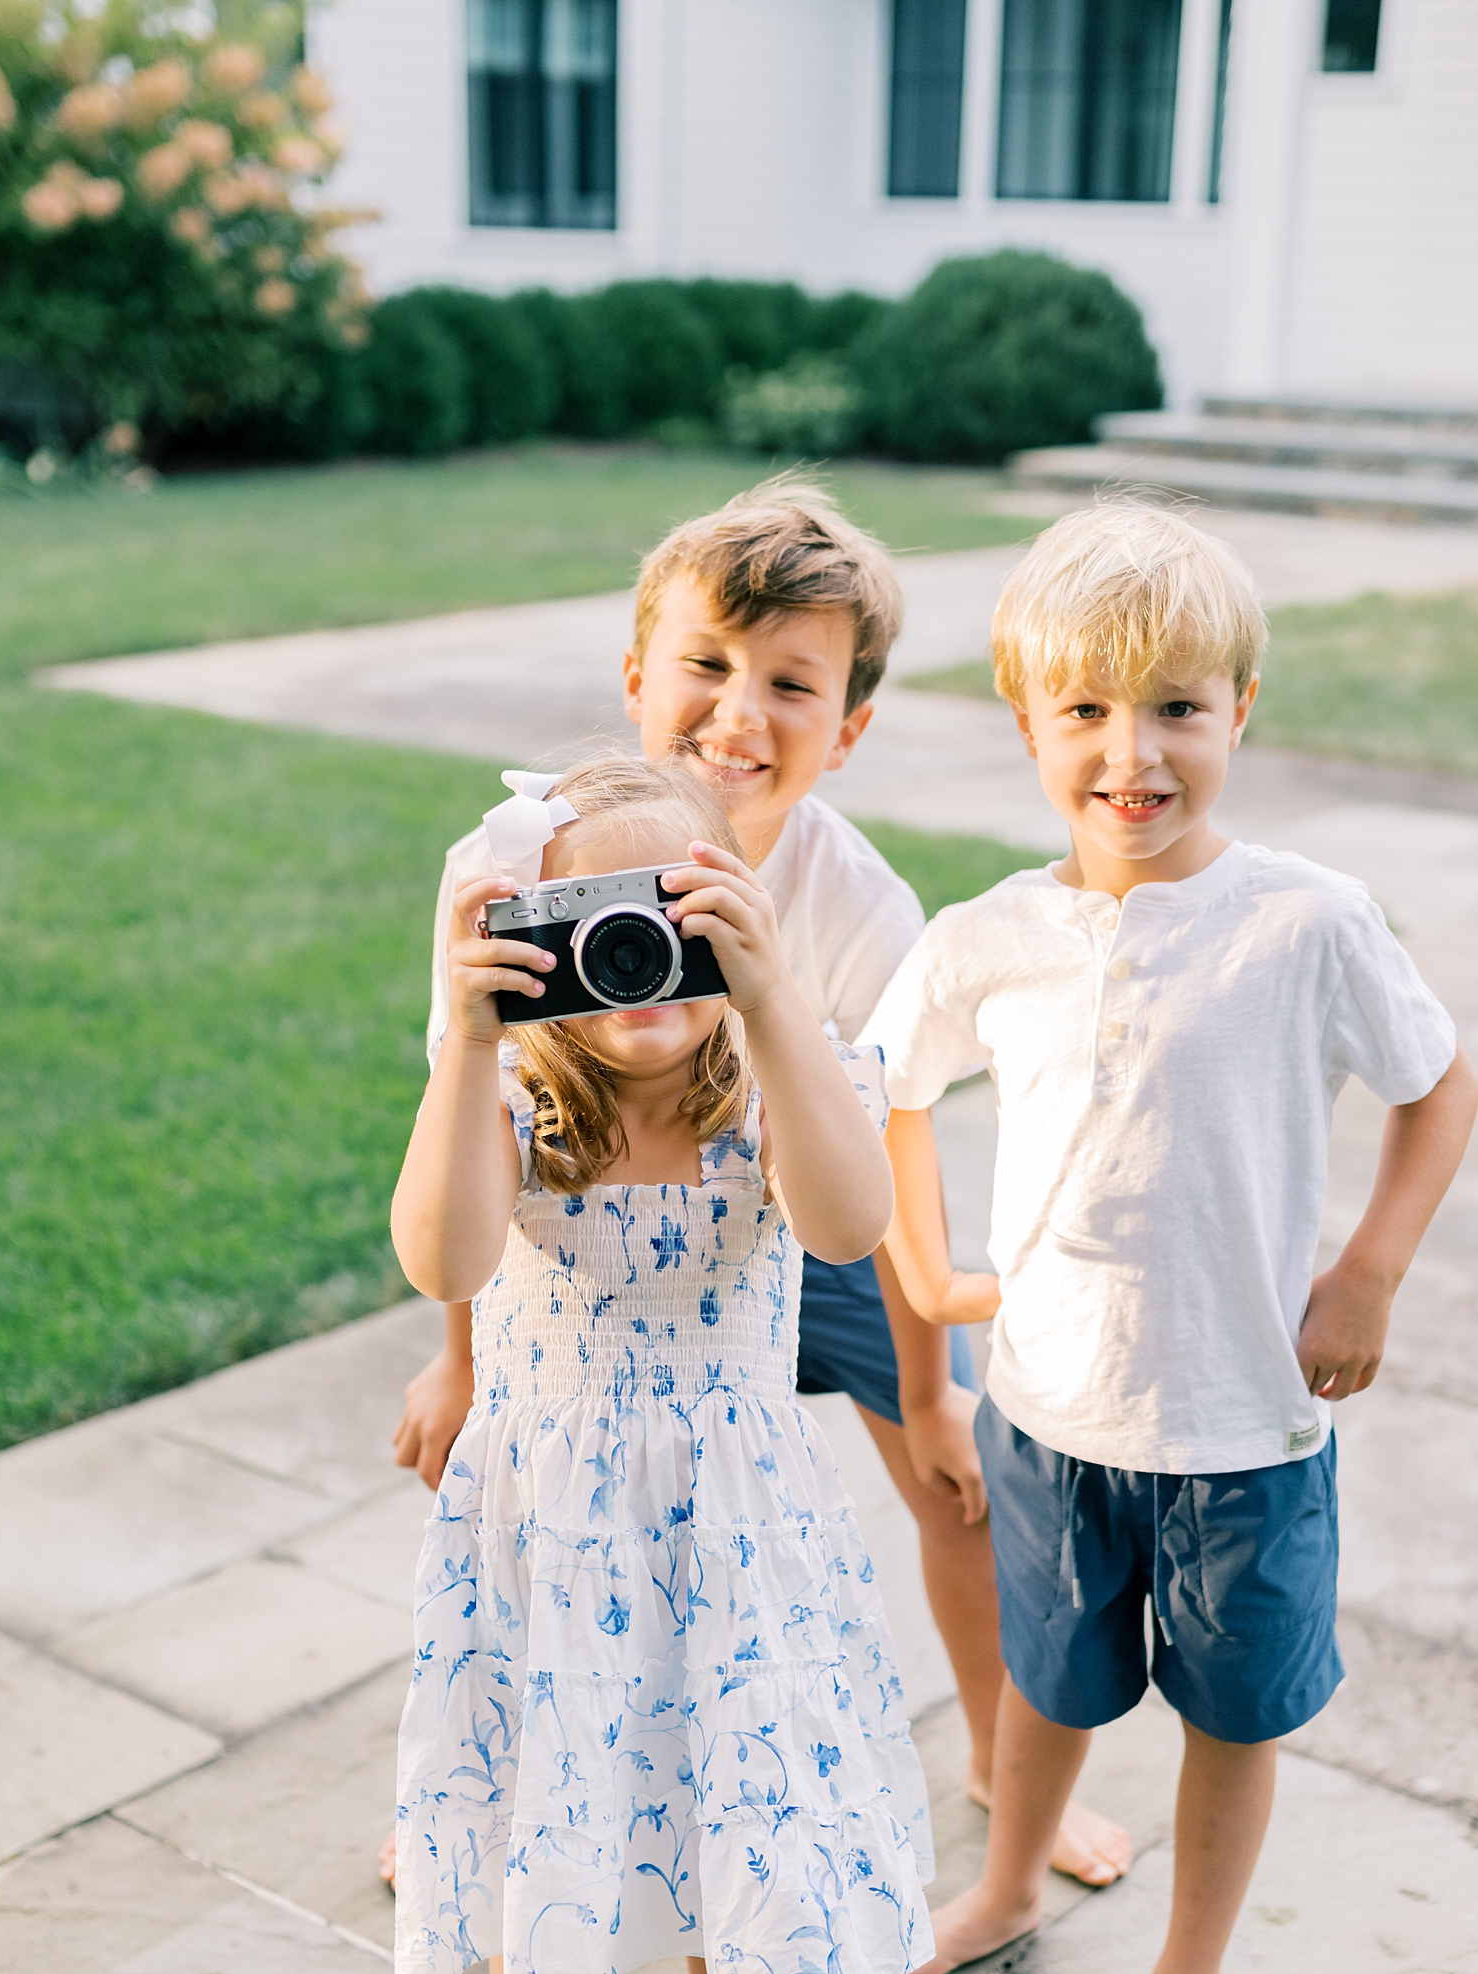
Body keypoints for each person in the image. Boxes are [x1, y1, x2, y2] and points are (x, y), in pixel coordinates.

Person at [387, 483, 1132, 1891]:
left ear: (847, 729)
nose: (740, 710)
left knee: (958, 1485)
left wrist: (929, 1392)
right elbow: (477, 1122)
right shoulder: (512, 871)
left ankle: (990, 1750)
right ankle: (476, 1787)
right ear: (635, 681)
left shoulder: (857, 908)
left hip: (800, 1203)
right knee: (508, 1485)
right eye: (708, 665)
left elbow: (888, 1151)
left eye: (792, 684)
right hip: (590, 1225)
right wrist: (457, 1362)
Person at [861, 500, 1478, 1974]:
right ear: (1026, 724)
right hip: (1053, 1411)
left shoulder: (1307, 920)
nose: (1132, 754)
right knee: (1047, 1693)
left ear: (1239, 713)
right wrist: (923, 1273)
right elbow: (892, 1089)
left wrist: (1369, 1273)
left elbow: (1439, 1090)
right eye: (1086, 712)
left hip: (1244, 1431)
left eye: (1177, 711)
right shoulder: (987, 937)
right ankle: (1002, 1887)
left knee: (1231, 1719)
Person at [392, 755, 932, 1974]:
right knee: (538, 1837)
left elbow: (847, 1225)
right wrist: (458, 1035)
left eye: (681, 915)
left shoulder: (777, 1072)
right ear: (534, 945)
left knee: (736, 1823)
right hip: (552, 1541)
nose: (643, 962)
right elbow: (441, 1251)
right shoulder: (506, 1091)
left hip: (735, 1541)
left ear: (741, 915)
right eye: (594, 925)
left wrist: (772, 1006)